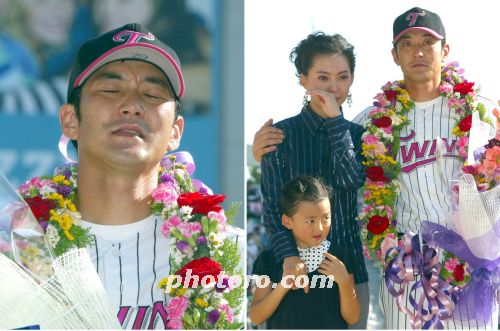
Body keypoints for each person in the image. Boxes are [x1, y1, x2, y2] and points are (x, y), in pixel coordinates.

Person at [21, 23, 243, 329]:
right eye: (111, 90)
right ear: (70, 120)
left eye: (152, 94)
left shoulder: (227, 257)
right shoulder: (17, 249)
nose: (132, 106)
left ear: (175, 132)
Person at [351, 7, 497, 330]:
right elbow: (328, 157)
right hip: (405, 271)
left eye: (427, 42)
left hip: (470, 265)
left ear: (445, 50)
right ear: (394, 54)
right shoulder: (373, 121)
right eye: (407, 43)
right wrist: (270, 145)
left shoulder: (479, 111)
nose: (417, 51)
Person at [258, 32, 370, 329]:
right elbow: (272, 207)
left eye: (343, 77)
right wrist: (289, 257)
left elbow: (350, 180)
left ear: (352, 79)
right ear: (303, 79)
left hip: (347, 273)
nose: (334, 87)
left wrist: (336, 123)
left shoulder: (359, 137)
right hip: (292, 274)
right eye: (322, 77)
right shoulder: (279, 137)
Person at [250, 175, 360, 329]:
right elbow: (256, 316)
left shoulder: (342, 257)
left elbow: (353, 318)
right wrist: (283, 286)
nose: (320, 228)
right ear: (287, 221)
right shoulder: (270, 260)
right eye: (311, 220)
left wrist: (344, 282)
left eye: (326, 218)